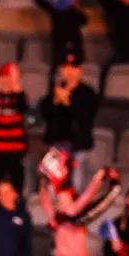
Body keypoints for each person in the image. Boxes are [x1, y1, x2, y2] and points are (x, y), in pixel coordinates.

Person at [39, 149, 122, 256]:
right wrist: (44, 177)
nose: (61, 200)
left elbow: (88, 195)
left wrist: (100, 176)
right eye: (60, 198)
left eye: (65, 197)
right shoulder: (57, 218)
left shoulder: (77, 216)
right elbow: (45, 199)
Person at [39, 50, 97, 191]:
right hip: (57, 147)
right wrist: (56, 100)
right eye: (66, 68)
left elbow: (85, 116)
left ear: (80, 71)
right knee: (54, 185)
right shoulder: (55, 91)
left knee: (76, 187)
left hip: (78, 147)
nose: (70, 72)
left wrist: (67, 102)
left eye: (74, 68)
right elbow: (45, 113)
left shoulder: (87, 93)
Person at [0, 63, 29, 192]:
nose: (10, 81)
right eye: (8, 77)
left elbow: (25, 110)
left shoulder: (20, 97)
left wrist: (17, 88)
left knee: (17, 188)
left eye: (15, 77)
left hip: (16, 151)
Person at [33, 0, 88, 77]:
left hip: (75, 45)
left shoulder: (76, 12)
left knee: (77, 71)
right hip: (59, 45)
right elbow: (41, 2)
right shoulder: (56, 9)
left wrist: (76, 5)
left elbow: (84, 20)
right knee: (58, 73)